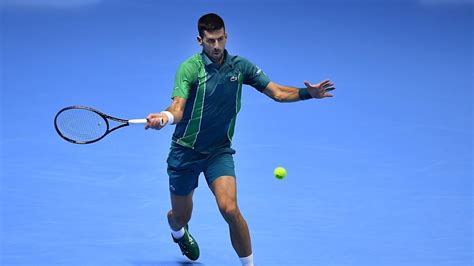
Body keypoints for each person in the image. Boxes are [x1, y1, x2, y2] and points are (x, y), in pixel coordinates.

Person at [145, 13, 335, 266]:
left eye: (220, 39)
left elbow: (277, 92)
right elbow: (178, 107)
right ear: (199, 40)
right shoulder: (190, 68)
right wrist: (165, 118)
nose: (216, 46)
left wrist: (307, 94)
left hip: (218, 152)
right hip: (185, 152)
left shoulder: (240, 66)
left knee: (230, 209)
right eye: (210, 40)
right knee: (181, 216)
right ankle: (178, 232)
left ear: (226, 37)